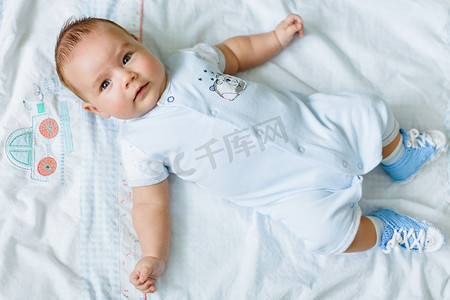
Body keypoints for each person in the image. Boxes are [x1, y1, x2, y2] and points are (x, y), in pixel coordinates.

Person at [55, 14, 448, 294]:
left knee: (370, 111)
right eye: (105, 83)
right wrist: (153, 255)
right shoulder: (138, 145)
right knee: (329, 236)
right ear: (97, 110)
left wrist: (274, 39)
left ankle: (400, 157)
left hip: (315, 126)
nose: (127, 77)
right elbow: (150, 205)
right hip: (290, 193)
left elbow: (236, 53)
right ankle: (384, 230)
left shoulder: (189, 62)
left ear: (141, 46)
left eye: (126, 57)